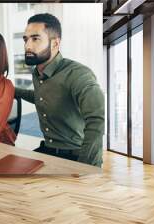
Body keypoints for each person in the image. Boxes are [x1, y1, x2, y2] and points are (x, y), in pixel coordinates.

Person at [16, 13, 105, 167]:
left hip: (76, 156)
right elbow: (42, 96)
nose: (27, 46)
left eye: (35, 38)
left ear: (55, 43)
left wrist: (85, 167)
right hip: (49, 151)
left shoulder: (78, 74)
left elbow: (96, 120)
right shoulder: (37, 73)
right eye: (26, 39)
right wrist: (11, 89)